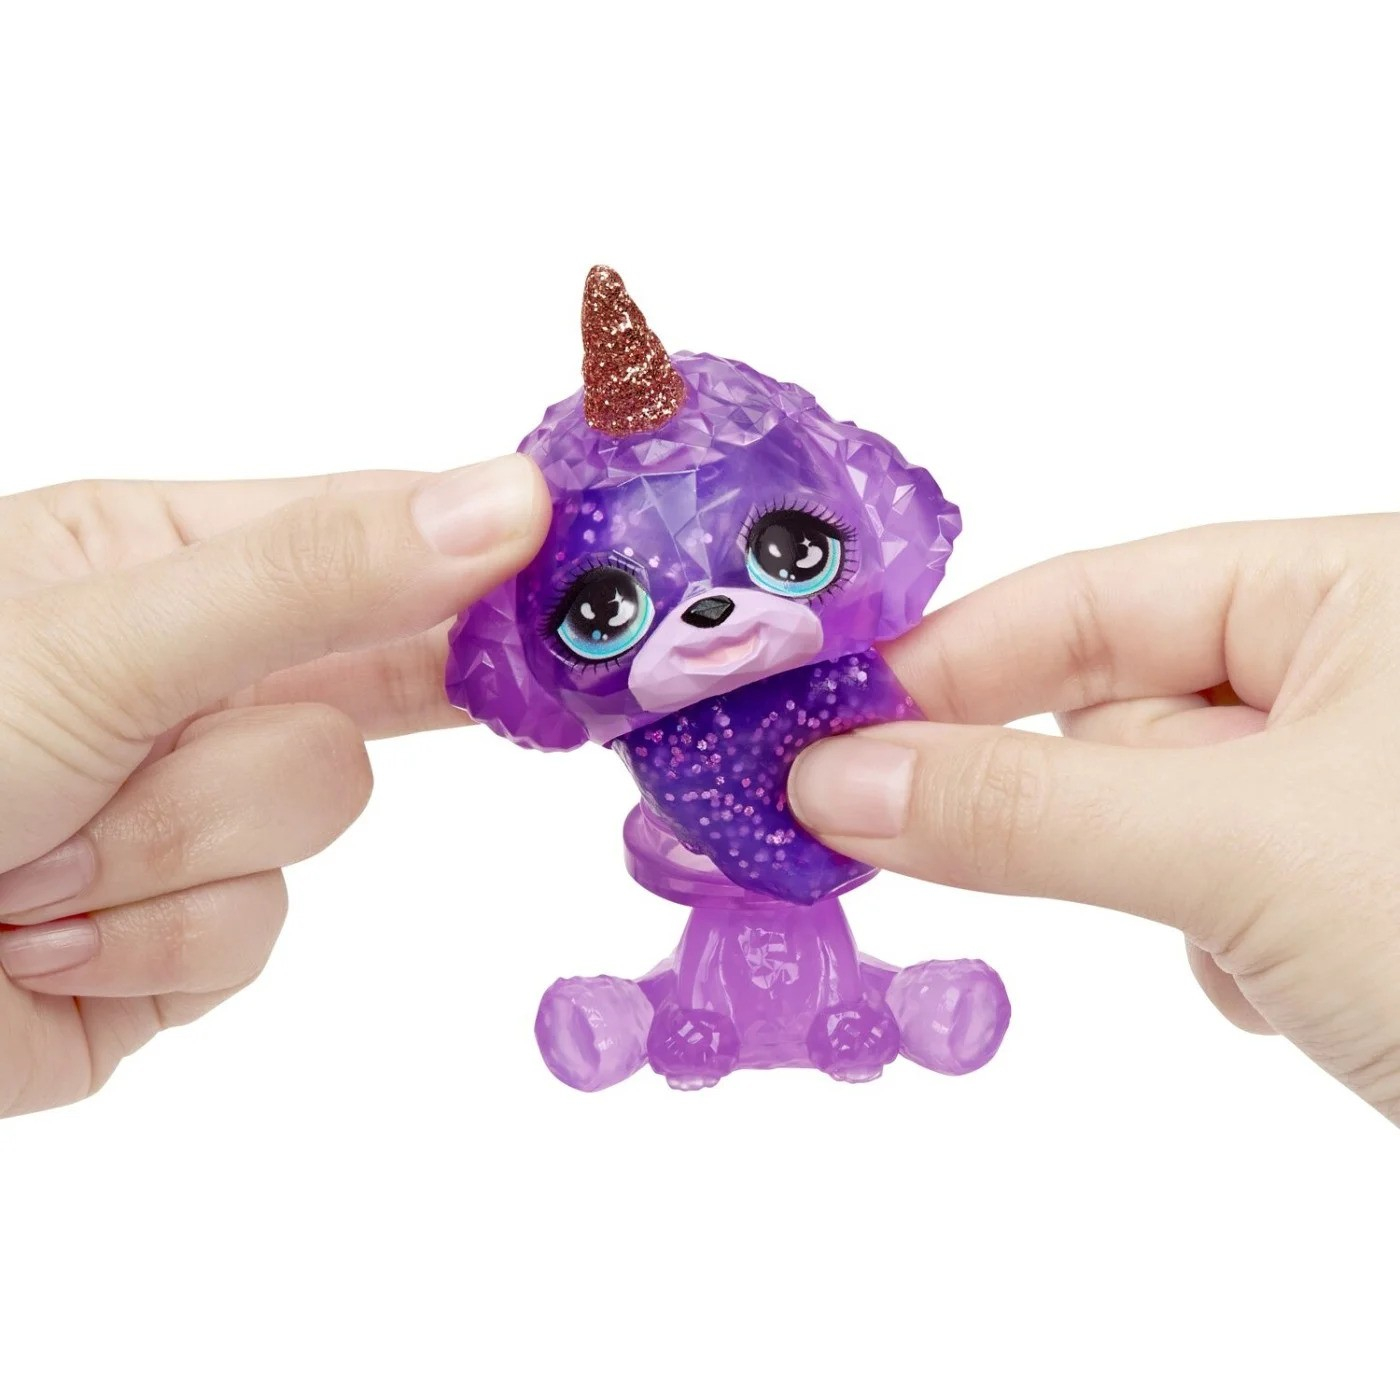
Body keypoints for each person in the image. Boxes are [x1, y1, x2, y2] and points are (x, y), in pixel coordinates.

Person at [0, 460, 1395, 1125]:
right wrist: (692, 835)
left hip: (832, 949)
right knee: (679, 997)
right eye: (611, 607)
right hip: (704, 968)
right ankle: (636, 1020)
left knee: (858, 989)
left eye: (779, 555)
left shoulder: (840, 694)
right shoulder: (657, 753)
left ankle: (907, 1007)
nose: (715, 616)